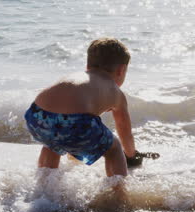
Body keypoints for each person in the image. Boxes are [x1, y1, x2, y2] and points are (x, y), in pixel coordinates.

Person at [24, 37, 141, 177]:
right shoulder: (115, 92)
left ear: (88, 64)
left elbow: (63, 112)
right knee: (114, 148)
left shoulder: (74, 77)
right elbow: (123, 128)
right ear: (121, 70)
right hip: (76, 122)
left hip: (36, 116)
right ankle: (118, 192)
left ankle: (45, 184)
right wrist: (131, 155)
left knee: (53, 143)